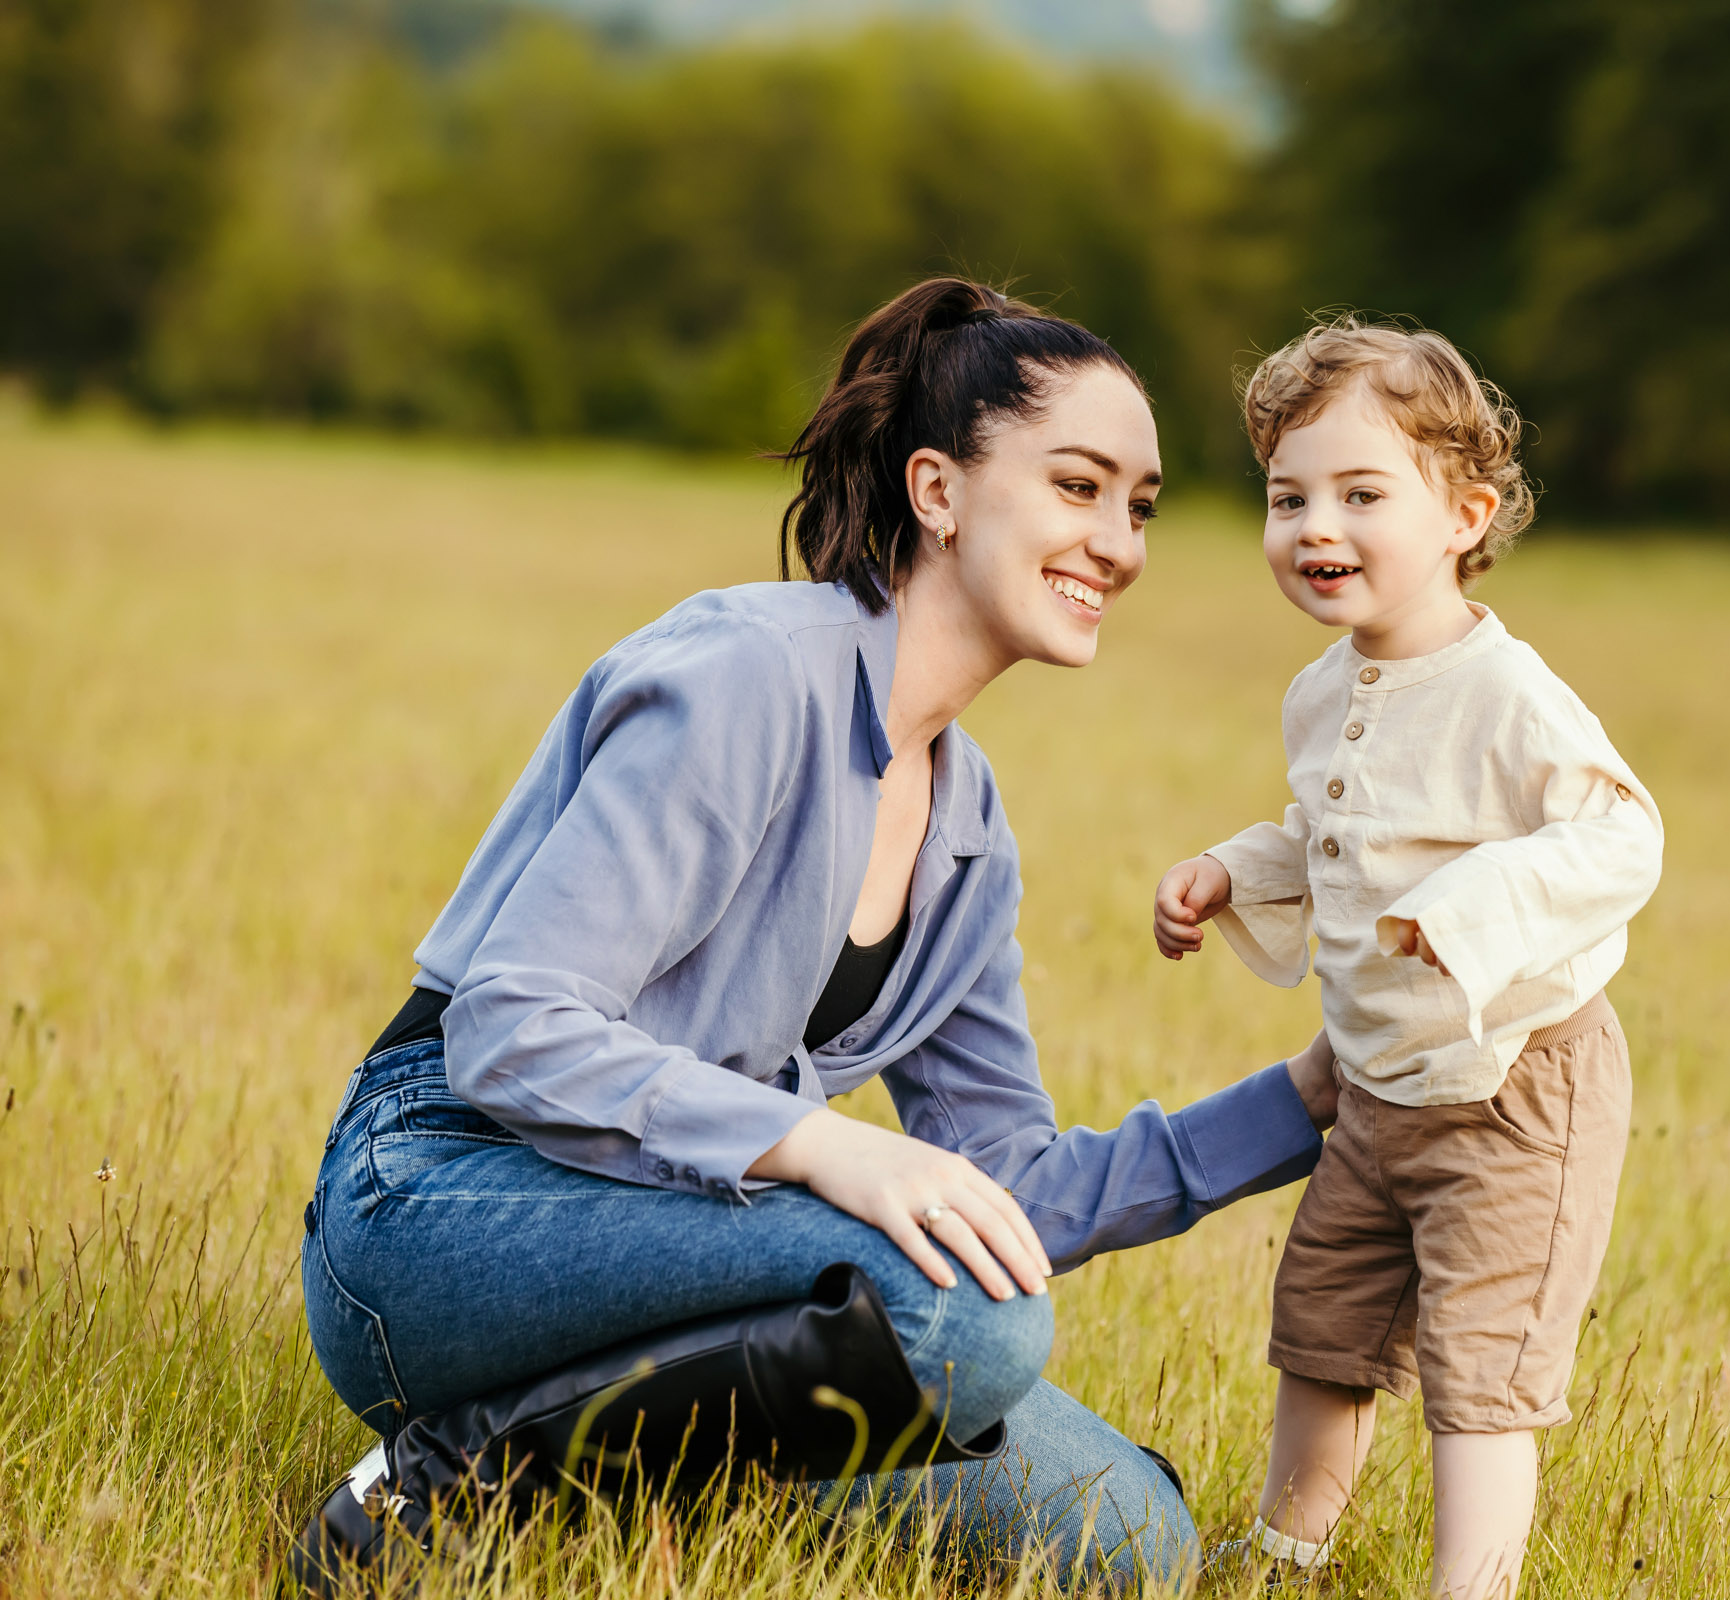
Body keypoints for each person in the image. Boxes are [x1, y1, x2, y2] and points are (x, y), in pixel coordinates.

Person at [294, 277, 1340, 1594]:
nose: (1120, 543)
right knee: (968, 1317)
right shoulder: (748, 675)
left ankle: (619, 1496)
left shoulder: (971, 832)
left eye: (1140, 505)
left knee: (1129, 1537)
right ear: (938, 491)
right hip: (439, 1207)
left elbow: (996, 1185)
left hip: (675, 1235)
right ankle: (444, 1488)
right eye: (1079, 486)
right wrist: (824, 1145)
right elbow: (510, 1028)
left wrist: (1308, 1104)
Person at [1152, 316, 1665, 1598]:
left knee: (1478, 1372)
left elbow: (1623, 833)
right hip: (1379, 1092)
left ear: (1463, 511)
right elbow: (1328, 834)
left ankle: (1468, 1587)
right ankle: (1282, 1551)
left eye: (1361, 494)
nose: (1316, 526)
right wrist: (1232, 872)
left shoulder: (1508, 694)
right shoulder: (1322, 689)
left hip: (1515, 1089)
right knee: (1322, 1329)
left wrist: (1477, 903)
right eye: (1288, 497)